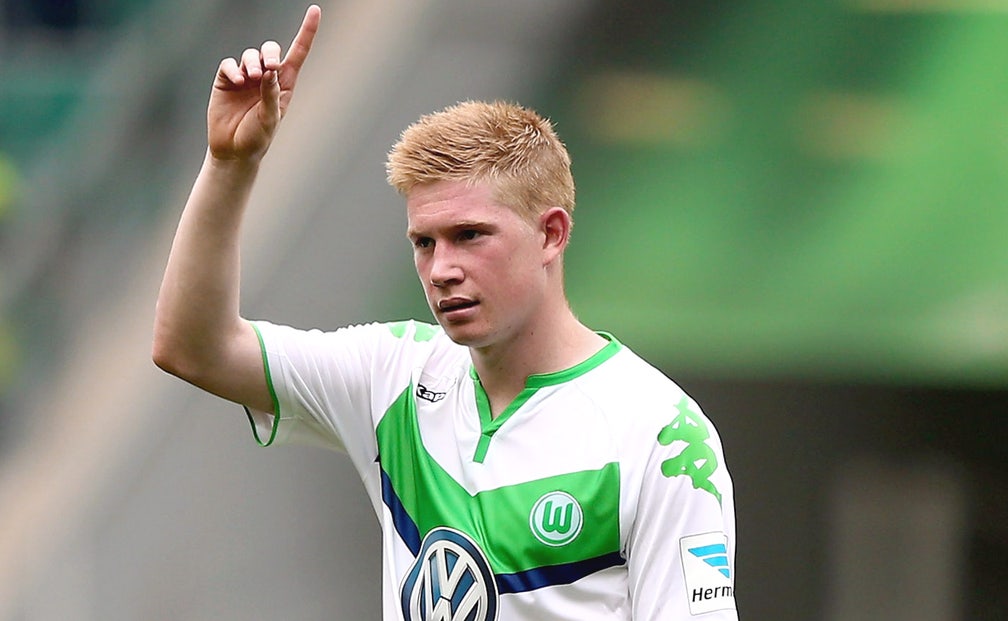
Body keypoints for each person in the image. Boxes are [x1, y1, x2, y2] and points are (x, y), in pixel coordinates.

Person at [152, 5, 738, 620]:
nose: (441, 269)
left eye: (469, 236)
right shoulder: (393, 376)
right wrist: (230, 163)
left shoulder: (663, 436)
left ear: (551, 234)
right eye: (424, 243)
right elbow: (193, 348)